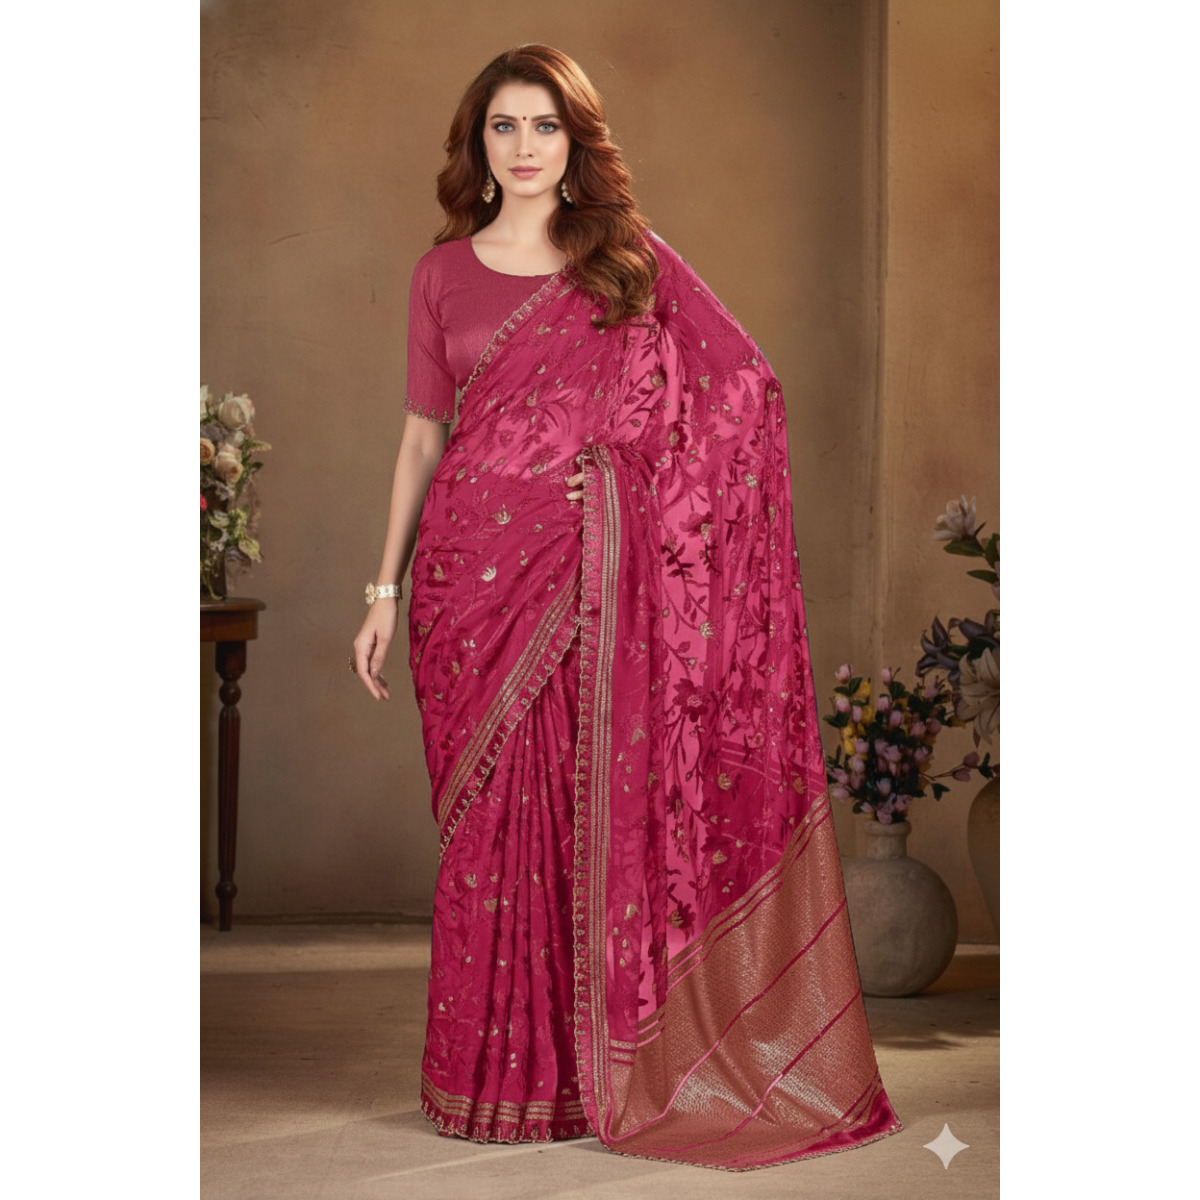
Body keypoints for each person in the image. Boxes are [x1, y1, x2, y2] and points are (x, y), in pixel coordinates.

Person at [352, 44, 902, 1170]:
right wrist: (383, 588)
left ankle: (577, 1077)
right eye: (503, 127)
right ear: (478, 145)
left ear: (576, 141)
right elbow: (421, 435)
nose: (523, 147)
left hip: (584, 581)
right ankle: (483, 1082)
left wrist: (618, 485)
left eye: (544, 126)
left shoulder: (626, 265)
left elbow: (741, 393)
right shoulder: (440, 274)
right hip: (465, 584)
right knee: (484, 836)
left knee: (574, 814)